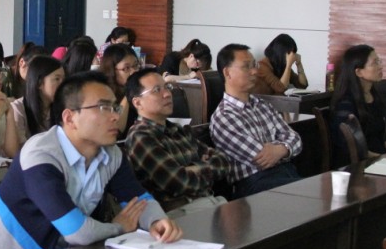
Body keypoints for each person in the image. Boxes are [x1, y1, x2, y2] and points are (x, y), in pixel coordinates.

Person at [0, 71, 183, 249]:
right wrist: (118, 227)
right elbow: (77, 232)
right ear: (70, 117)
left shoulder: (110, 153)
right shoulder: (40, 156)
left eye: (115, 108)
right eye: (103, 108)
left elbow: (138, 199)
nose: (115, 117)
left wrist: (157, 221)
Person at [126, 68, 232, 210]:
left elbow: (224, 162)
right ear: (138, 103)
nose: (167, 94)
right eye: (157, 90)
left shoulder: (177, 129)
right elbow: (178, 182)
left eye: (167, 87)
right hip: (178, 212)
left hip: (209, 201)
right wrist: (204, 166)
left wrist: (194, 168)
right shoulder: (140, 137)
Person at [210, 44, 303, 197]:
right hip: (254, 186)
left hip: (286, 173)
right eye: (247, 66)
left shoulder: (262, 105)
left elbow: (296, 139)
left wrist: (280, 149)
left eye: (254, 65)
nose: (254, 71)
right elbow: (260, 157)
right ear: (227, 73)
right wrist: (285, 147)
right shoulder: (224, 117)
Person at [331, 44, 386, 165]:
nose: (381, 66)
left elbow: (379, 136)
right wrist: (380, 158)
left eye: (379, 61)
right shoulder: (346, 103)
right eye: (375, 63)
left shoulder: (375, 95)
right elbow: (349, 146)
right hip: (358, 165)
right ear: (359, 72)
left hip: (380, 160)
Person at [10, 55, 64, 143]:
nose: (63, 84)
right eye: (57, 79)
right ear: (39, 83)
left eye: (63, 79)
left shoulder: (63, 107)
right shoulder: (18, 109)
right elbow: (20, 148)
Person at [98, 42, 140, 134]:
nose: (134, 72)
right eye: (126, 68)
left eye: (136, 65)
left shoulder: (139, 88)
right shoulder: (104, 94)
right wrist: (128, 93)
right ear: (112, 70)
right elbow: (117, 128)